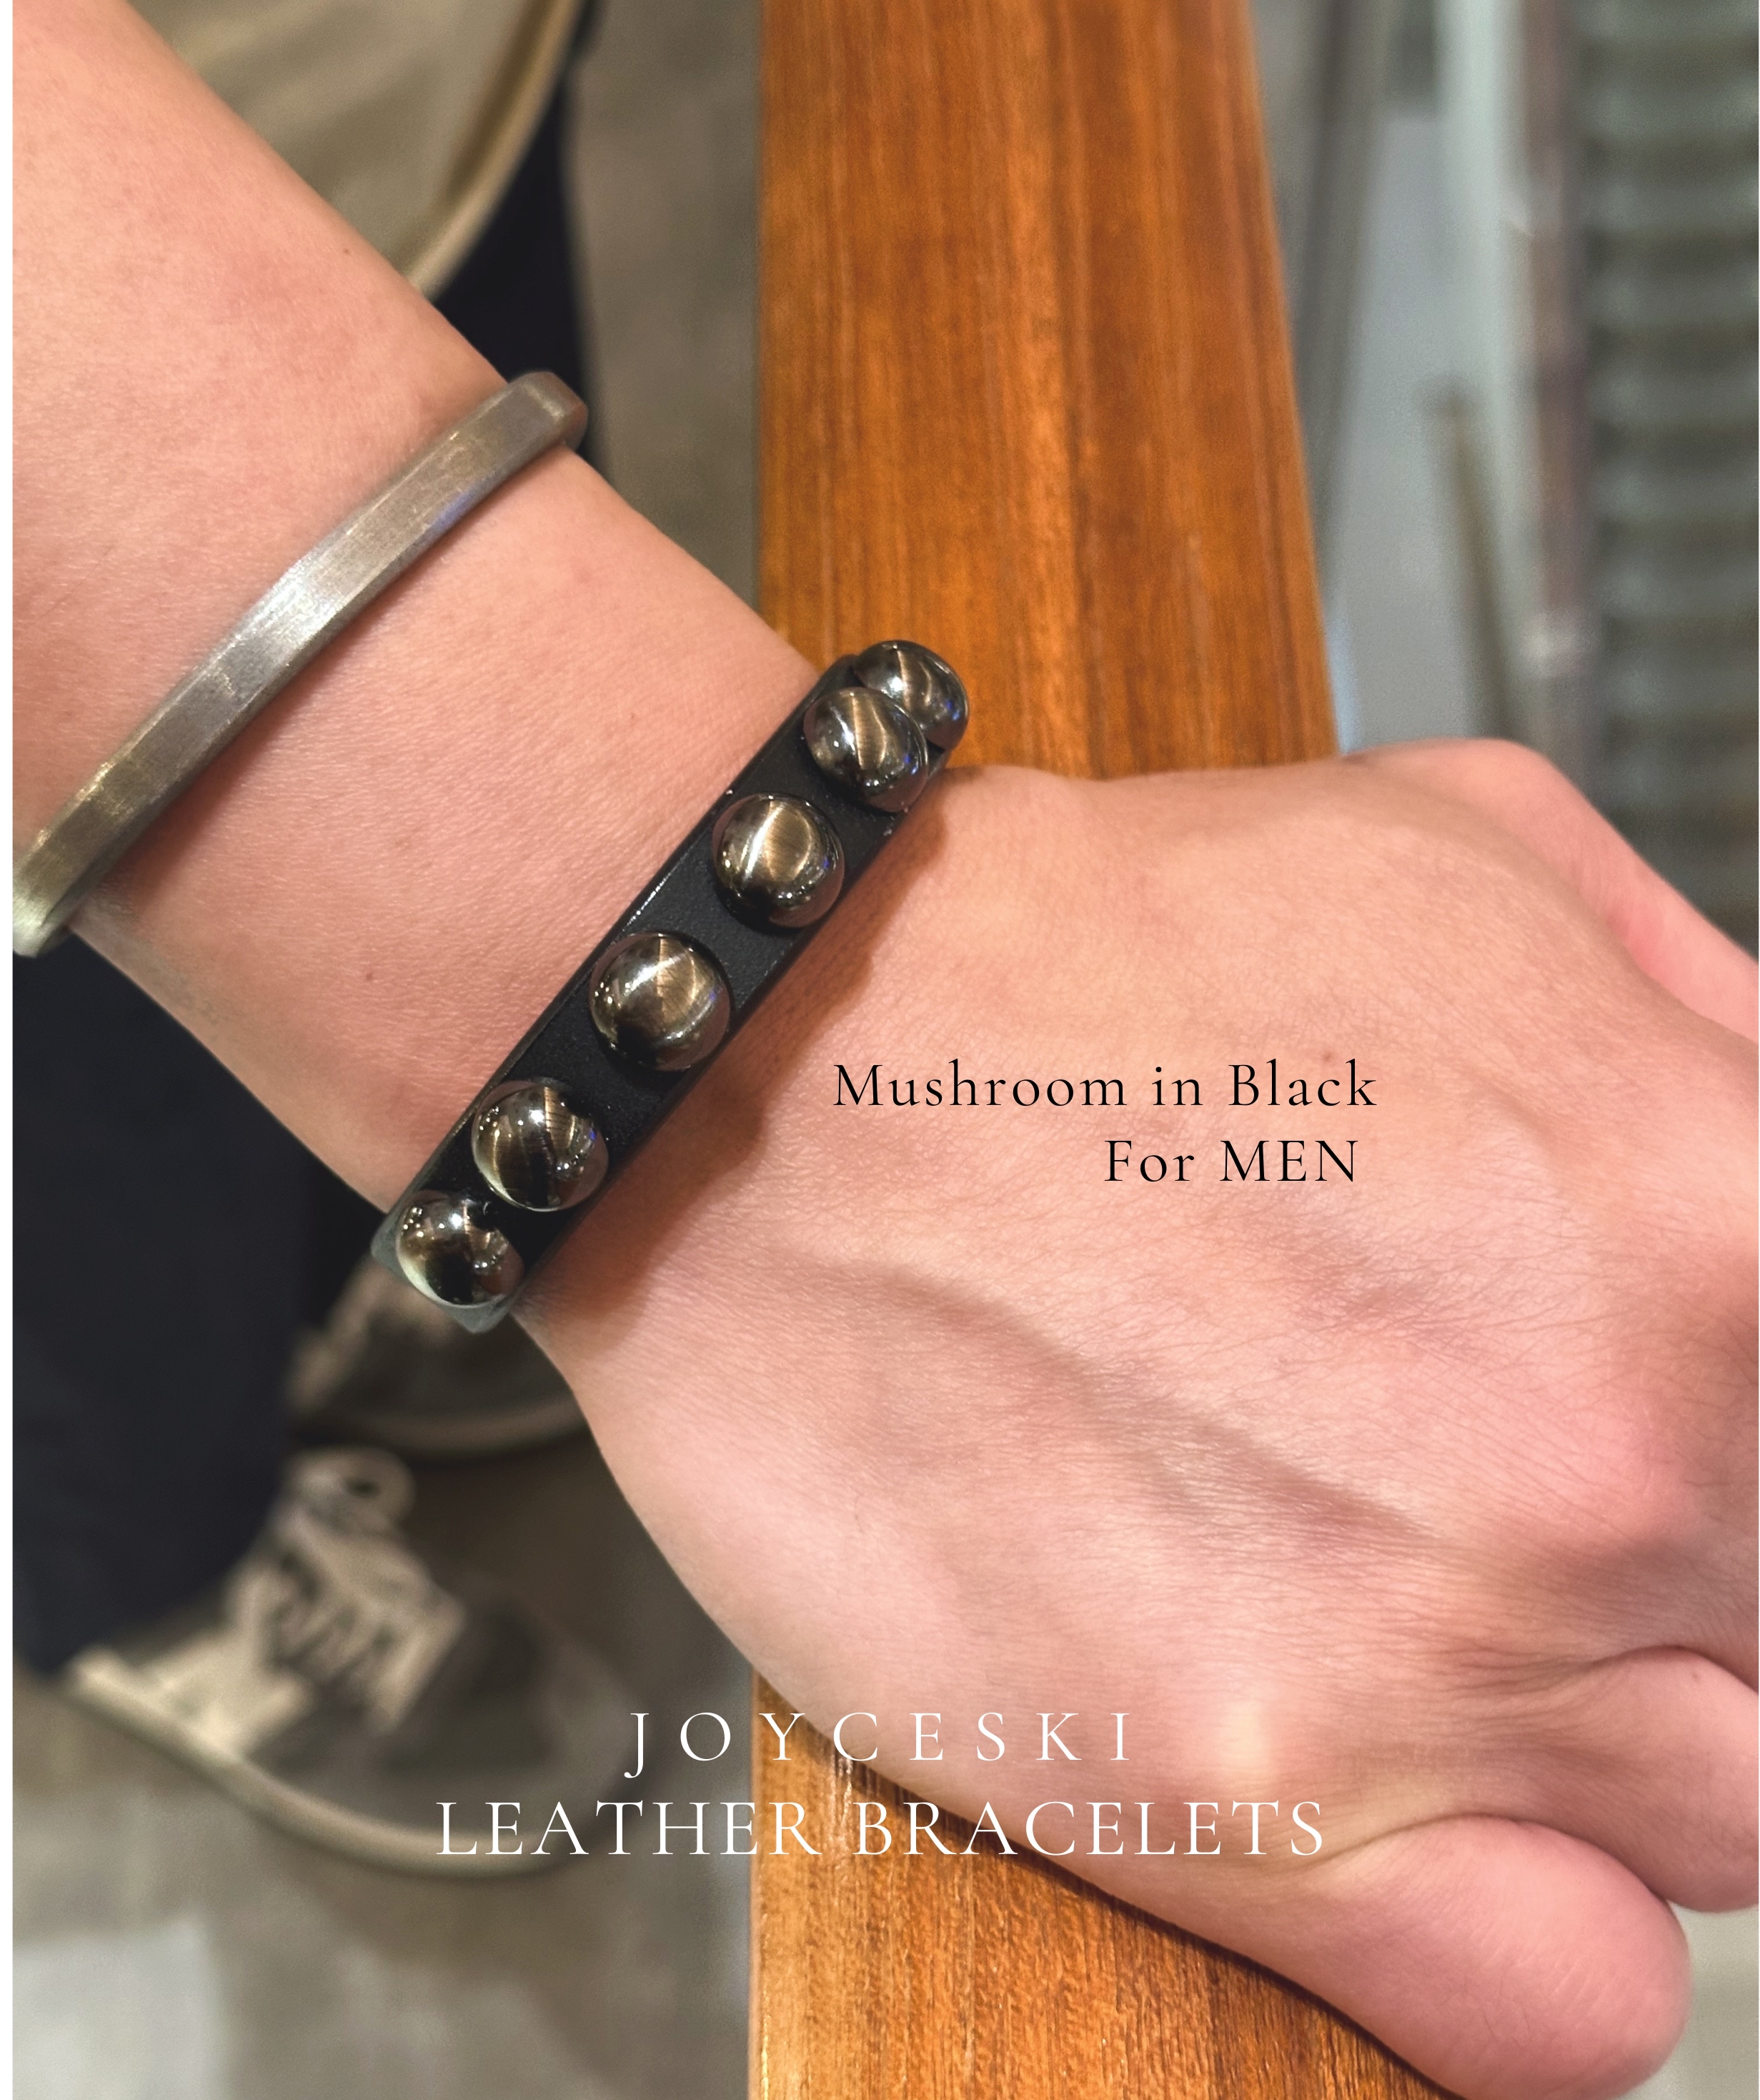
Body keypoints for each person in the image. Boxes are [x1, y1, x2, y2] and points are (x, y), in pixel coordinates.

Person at [16, 3, 1755, 2095]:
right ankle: (147, 1569)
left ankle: (376, 1283)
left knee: (283, 1119)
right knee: (80, 1163)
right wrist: (734, 1016)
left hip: (375, 112)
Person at [13, 17, 626, 1873]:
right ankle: (138, 1562)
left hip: (417, 88)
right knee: (76, 1009)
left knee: (446, 811)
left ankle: (323, 1296)